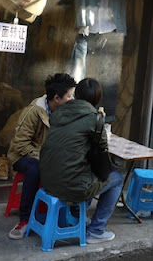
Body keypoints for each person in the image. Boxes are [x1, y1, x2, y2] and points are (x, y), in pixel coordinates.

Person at [39, 78, 124, 243]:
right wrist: (100, 121)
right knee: (117, 178)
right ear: (97, 99)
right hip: (70, 185)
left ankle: (78, 217)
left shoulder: (58, 112)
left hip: (47, 180)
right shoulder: (95, 118)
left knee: (85, 171)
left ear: (76, 95)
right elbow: (102, 149)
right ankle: (96, 230)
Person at [7, 73, 77, 239]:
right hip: (23, 156)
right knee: (35, 169)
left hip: (48, 155)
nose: (72, 99)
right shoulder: (33, 112)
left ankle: (71, 214)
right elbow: (20, 144)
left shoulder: (64, 110)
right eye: (69, 95)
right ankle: (24, 219)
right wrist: (45, 158)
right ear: (57, 98)